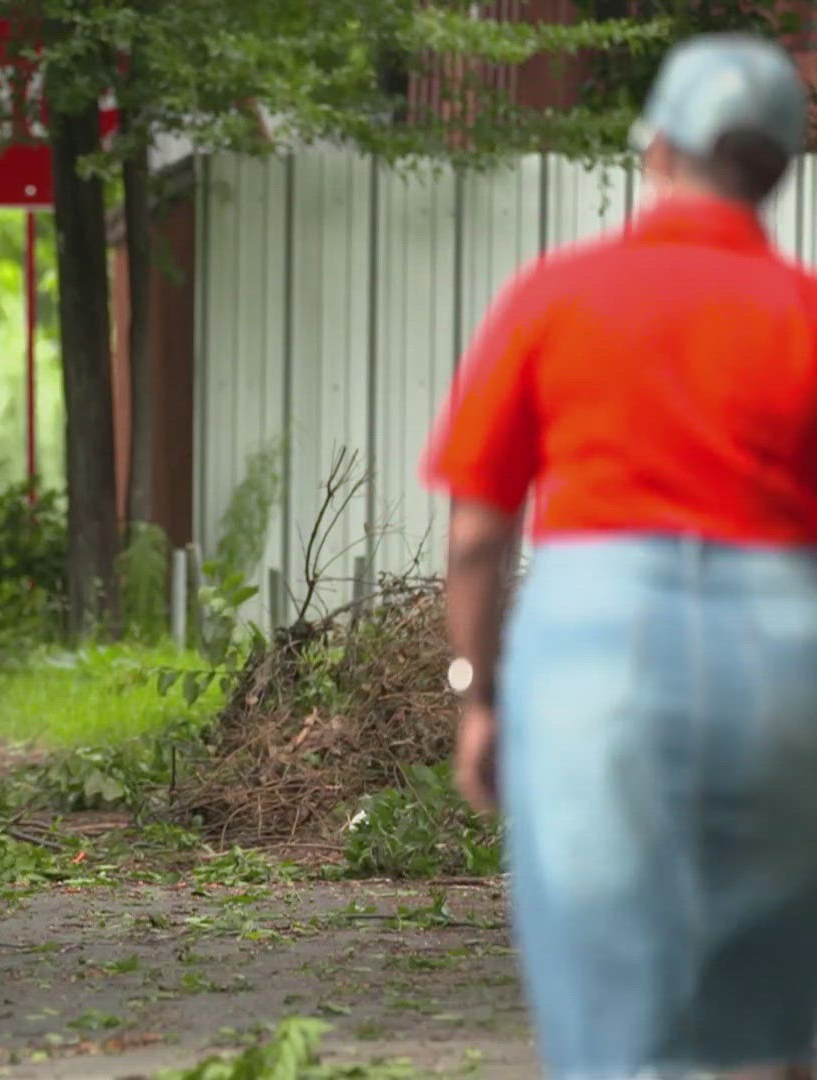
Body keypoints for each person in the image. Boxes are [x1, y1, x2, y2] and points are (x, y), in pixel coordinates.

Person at [423, 31, 817, 1080]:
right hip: (787, 663)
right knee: (769, 1018)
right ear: (776, 170)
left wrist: (479, 695)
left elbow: (475, 535)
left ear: (656, 152)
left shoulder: (556, 296)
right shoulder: (806, 317)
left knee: (609, 1013)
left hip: (596, 658)